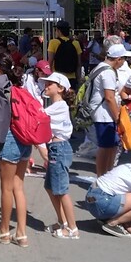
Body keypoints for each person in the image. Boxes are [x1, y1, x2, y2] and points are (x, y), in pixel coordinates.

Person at [0, 53, 32, 248]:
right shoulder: (20, 89)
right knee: (18, 188)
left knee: (6, 188)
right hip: (25, 139)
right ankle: (21, 233)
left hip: (10, 139)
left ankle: (4, 230)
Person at [35, 71, 78, 240]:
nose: (46, 86)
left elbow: (39, 117)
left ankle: (73, 228)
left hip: (59, 148)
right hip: (56, 147)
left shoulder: (59, 106)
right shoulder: (55, 106)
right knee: (50, 187)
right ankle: (62, 222)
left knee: (61, 190)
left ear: (60, 88)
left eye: (50, 84)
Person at [87, 43, 131, 176]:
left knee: (110, 146)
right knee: (105, 147)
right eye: (124, 58)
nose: (124, 62)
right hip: (104, 115)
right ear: (118, 59)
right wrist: (118, 117)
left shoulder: (100, 68)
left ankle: (106, 175)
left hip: (102, 113)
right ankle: (102, 176)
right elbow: (109, 97)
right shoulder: (108, 72)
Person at [48, 20, 82, 89]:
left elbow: (50, 61)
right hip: (72, 77)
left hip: (58, 77)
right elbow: (79, 63)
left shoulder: (53, 42)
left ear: (58, 31)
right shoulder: (76, 43)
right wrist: (78, 79)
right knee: (70, 98)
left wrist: (49, 75)